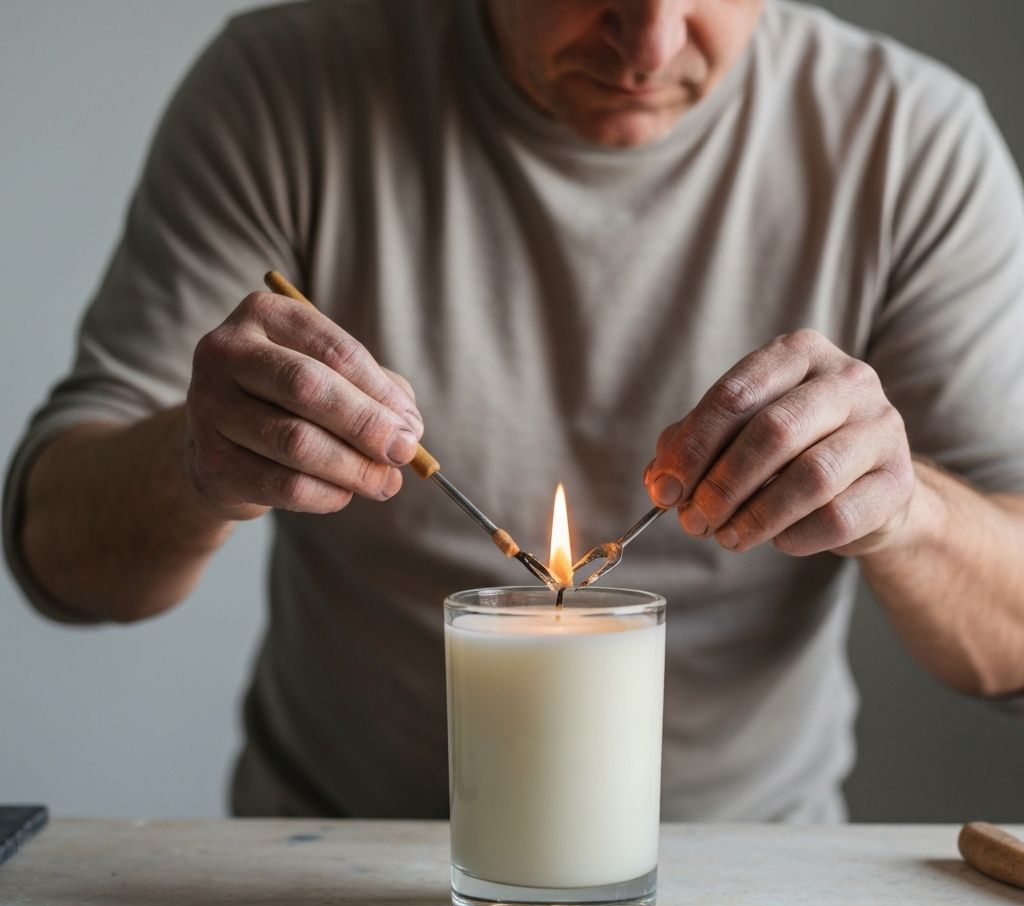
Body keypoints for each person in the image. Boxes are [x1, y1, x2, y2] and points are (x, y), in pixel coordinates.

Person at [4, 0, 1024, 823]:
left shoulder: (908, 142)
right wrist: (195, 464)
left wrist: (907, 512)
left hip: (750, 880)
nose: (649, 43)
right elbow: (59, 557)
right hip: (327, 873)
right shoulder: (284, 91)